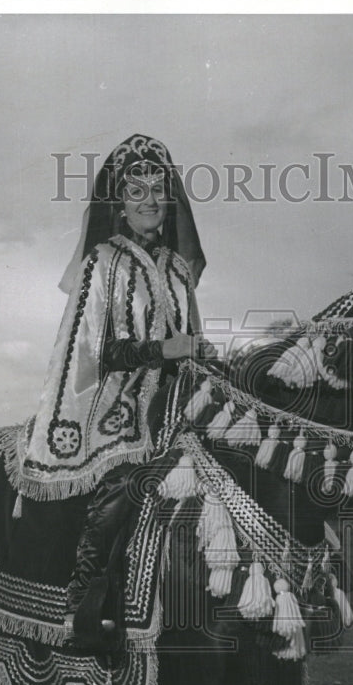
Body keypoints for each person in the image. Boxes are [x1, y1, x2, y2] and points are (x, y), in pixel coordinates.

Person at [14, 133, 214, 651]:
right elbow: (93, 351)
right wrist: (163, 352)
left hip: (171, 403)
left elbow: (187, 339)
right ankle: (87, 599)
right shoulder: (101, 263)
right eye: (137, 190)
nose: (150, 199)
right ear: (119, 205)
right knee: (125, 479)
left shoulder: (175, 269)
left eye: (158, 189)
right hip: (112, 403)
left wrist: (200, 357)